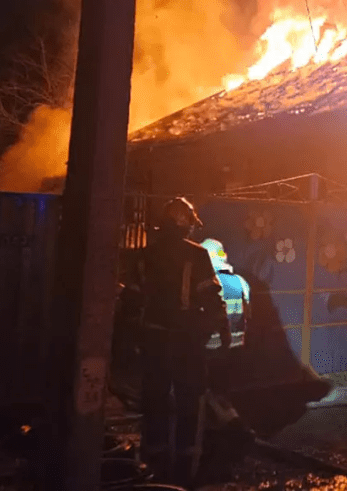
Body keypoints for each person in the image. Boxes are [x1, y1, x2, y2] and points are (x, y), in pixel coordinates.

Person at [138, 197, 230, 486]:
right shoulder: (198, 255)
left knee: (154, 400)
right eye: (190, 224)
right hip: (185, 343)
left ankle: (153, 467)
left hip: (153, 340)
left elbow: (132, 299)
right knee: (190, 401)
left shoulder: (146, 255)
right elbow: (211, 298)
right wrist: (223, 328)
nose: (192, 230)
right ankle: (187, 469)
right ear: (183, 223)